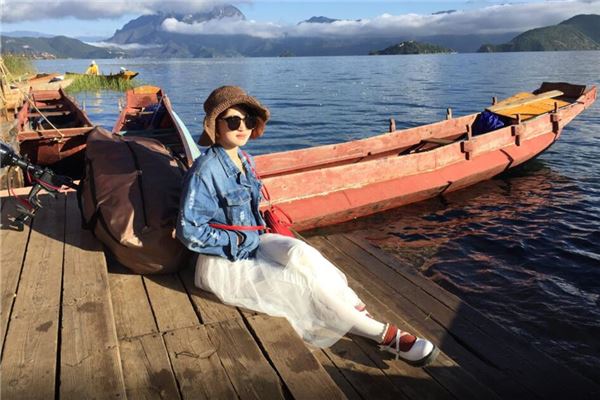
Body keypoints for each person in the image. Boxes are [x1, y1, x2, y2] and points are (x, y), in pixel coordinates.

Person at [177, 86, 439, 366]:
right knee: (300, 284)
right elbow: (189, 232)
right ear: (215, 126)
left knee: (303, 253)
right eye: (233, 121)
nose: (242, 127)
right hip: (224, 261)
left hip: (255, 241)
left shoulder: (245, 160)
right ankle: (385, 336)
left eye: (248, 120)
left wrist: (252, 238)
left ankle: (354, 311)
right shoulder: (206, 170)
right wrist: (238, 242)